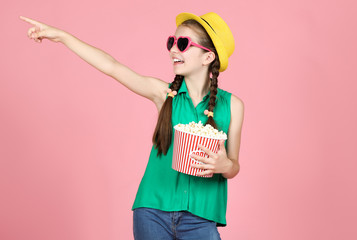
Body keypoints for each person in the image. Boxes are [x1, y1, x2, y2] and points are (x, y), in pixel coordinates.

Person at [20, 12, 244, 240]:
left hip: (201, 218)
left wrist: (224, 164)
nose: (173, 50)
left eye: (183, 44)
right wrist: (61, 36)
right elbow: (112, 67)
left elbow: (233, 166)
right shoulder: (164, 94)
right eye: (172, 42)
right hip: (152, 212)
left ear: (207, 57)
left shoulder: (233, 106)